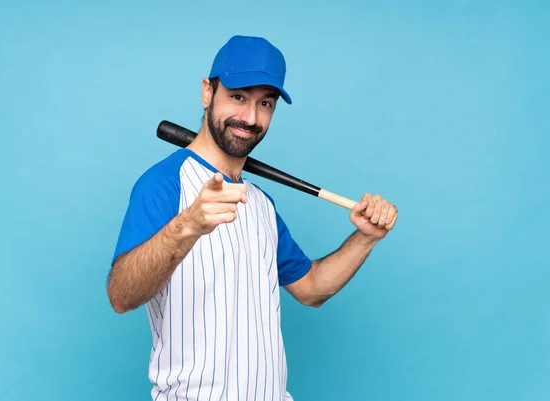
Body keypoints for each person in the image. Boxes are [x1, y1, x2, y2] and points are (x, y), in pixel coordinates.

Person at [107, 34, 398, 401]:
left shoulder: (261, 204)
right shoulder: (165, 184)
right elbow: (121, 295)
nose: (250, 117)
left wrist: (366, 237)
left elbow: (310, 289)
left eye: (266, 103)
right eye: (238, 97)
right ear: (207, 92)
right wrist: (188, 225)